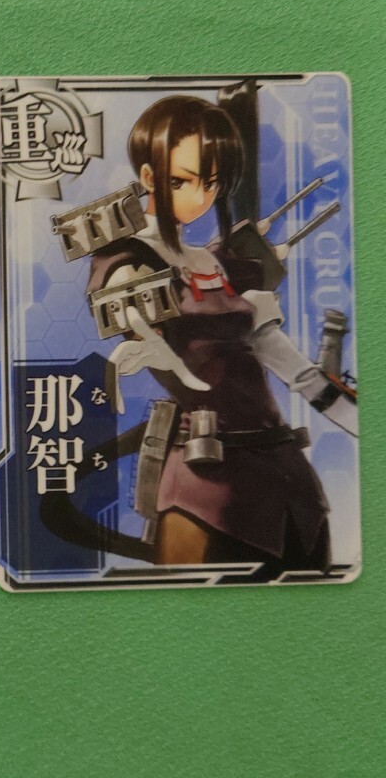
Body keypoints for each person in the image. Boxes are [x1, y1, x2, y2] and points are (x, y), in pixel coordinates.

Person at [87, 95, 356, 570]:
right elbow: (126, 316)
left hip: (283, 467)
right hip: (205, 469)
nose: (200, 197)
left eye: (210, 184)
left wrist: (352, 415)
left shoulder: (214, 262)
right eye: (183, 181)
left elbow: (285, 360)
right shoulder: (129, 257)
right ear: (148, 177)